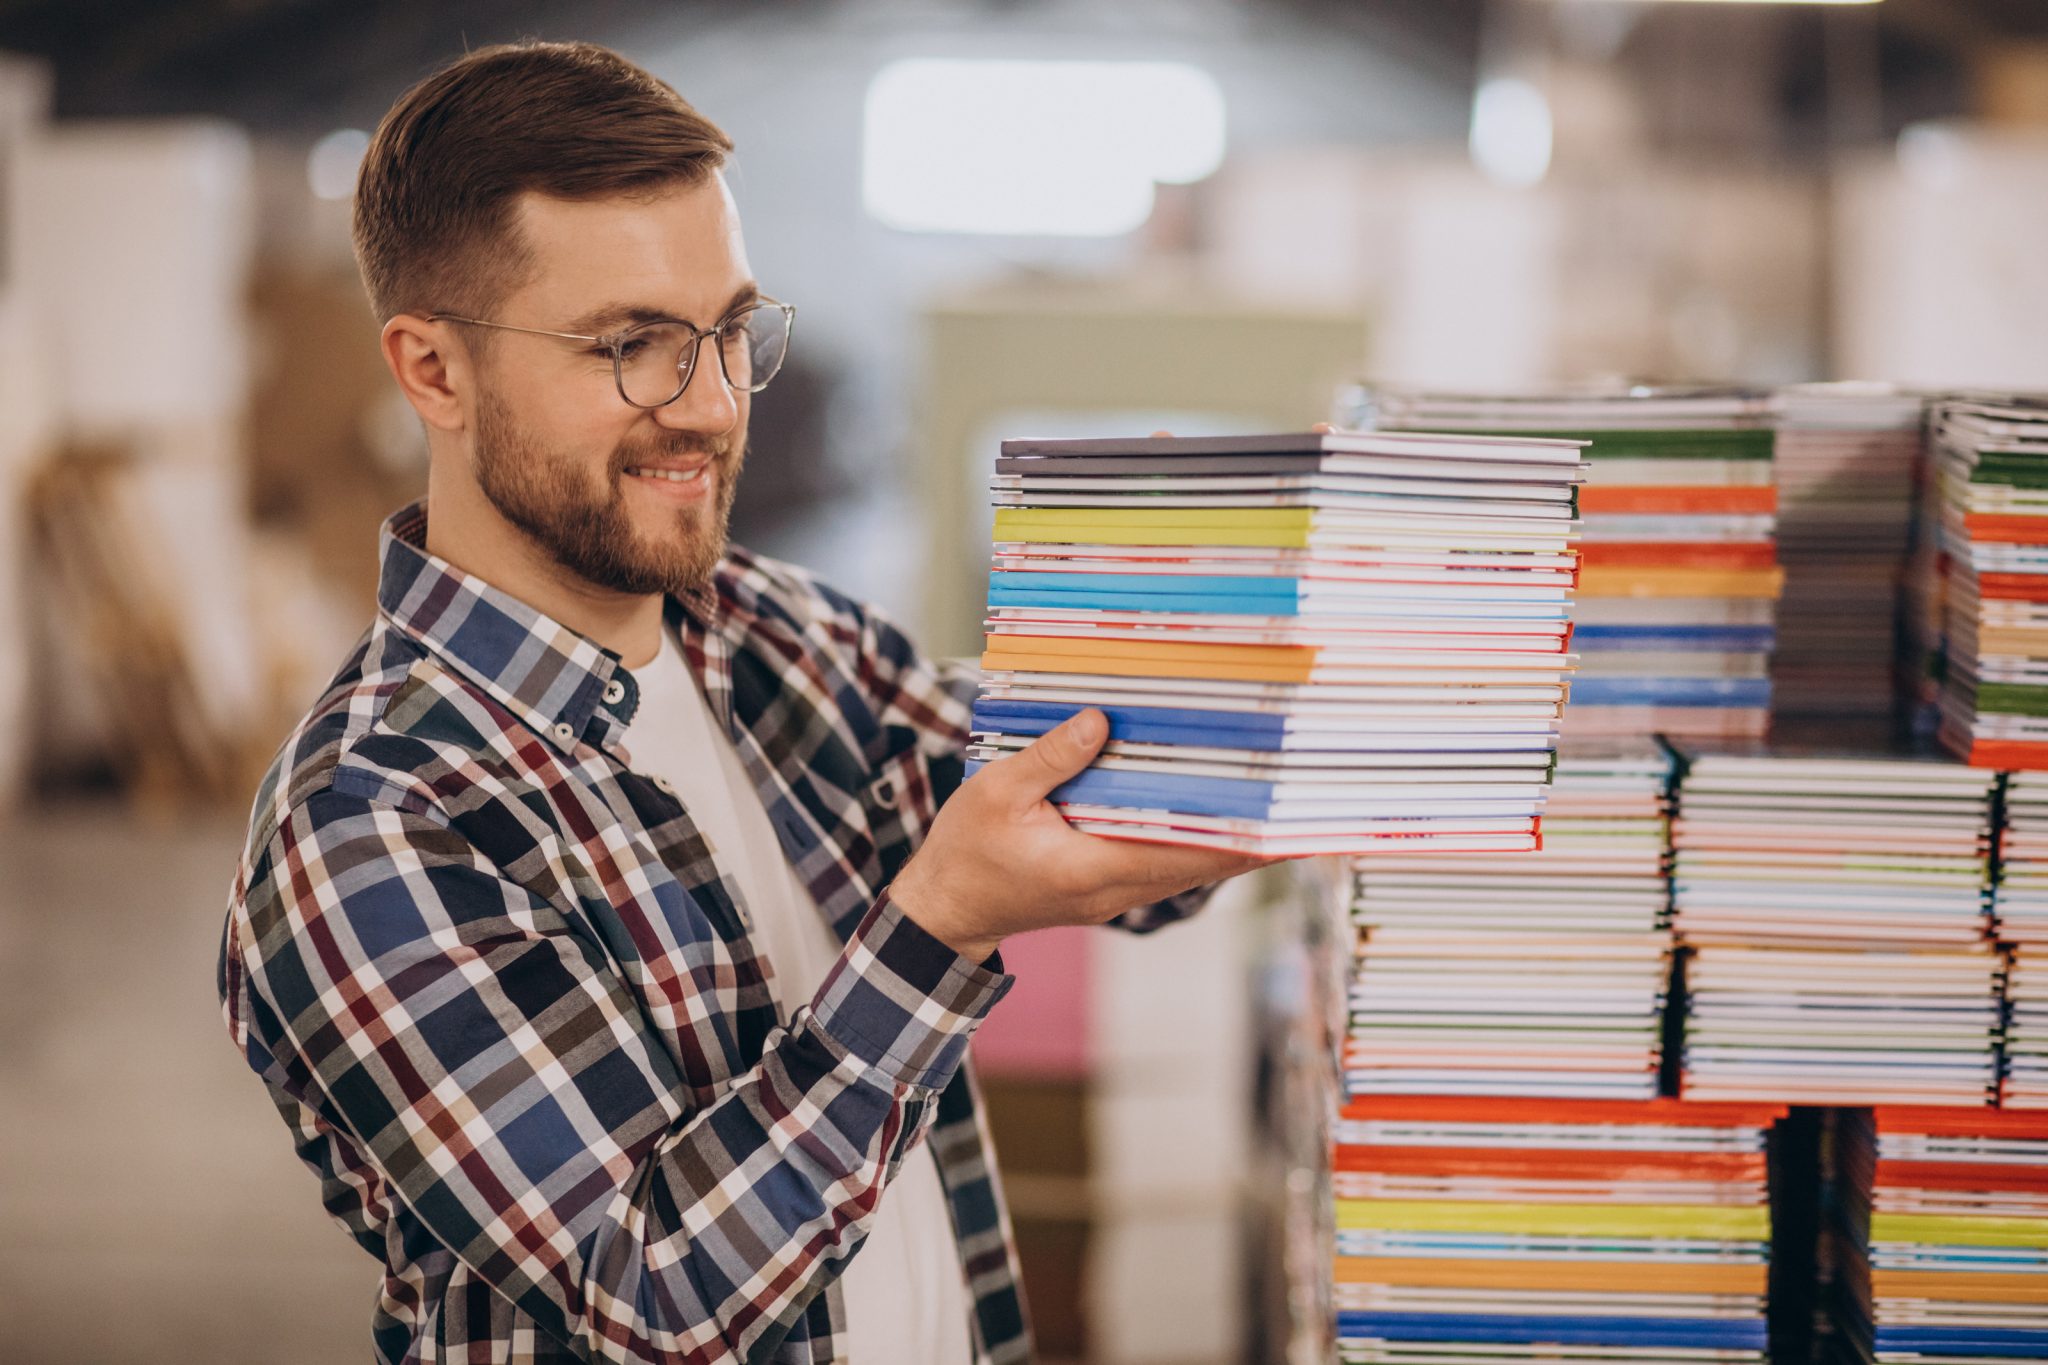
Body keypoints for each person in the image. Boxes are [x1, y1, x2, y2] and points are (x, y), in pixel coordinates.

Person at [218, 39, 1267, 1365]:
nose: (710, 405)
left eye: (726, 330)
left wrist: (1299, 692)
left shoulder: (773, 634)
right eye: (633, 346)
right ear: (433, 371)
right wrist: (937, 927)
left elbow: (1091, 804)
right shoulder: (369, 824)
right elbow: (660, 1294)